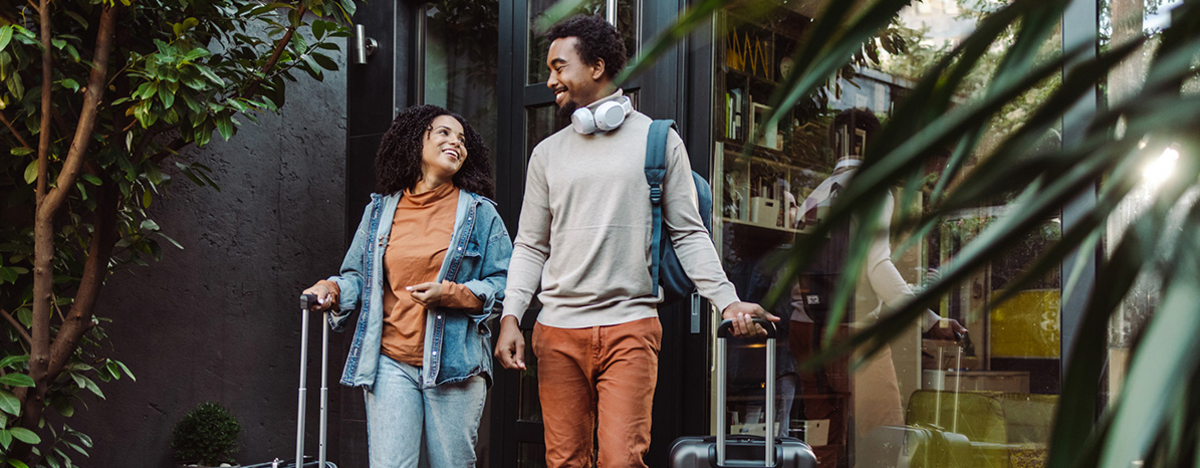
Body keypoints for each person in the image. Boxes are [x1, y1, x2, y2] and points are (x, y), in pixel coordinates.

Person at [492, 15, 777, 468]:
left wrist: (728, 302)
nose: (551, 80)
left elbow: (688, 234)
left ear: (597, 67)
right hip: (557, 331)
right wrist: (511, 316)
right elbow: (530, 245)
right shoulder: (546, 154)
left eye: (559, 67)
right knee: (563, 460)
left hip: (631, 328)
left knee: (623, 460)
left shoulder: (658, 140)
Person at [302, 105, 512, 468]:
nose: (455, 143)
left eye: (462, 139)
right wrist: (332, 289)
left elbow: (505, 282)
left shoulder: (480, 213)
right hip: (389, 362)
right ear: (415, 142)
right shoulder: (380, 210)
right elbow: (358, 277)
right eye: (443, 133)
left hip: (454, 366)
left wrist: (451, 294)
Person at [790, 107, 965, 456]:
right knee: (884, 437)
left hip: (805, 331)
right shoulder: (875, 191)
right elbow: (877, 267)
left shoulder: (813, 196)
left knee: (822, 441)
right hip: (854, 332)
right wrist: (931, 321)